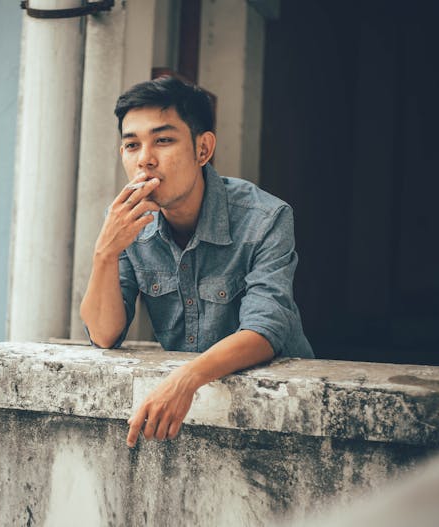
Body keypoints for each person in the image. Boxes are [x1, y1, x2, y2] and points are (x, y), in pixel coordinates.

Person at [79, 76, 314, 448]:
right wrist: (104, 252)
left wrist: (186, 378)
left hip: (281, 416)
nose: (145, 159)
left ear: (202, 149)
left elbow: (266, 331)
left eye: (163, 140)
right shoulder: (125, 222)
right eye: (131, 145)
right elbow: (105, 335)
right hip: (193, 423)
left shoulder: (265, 217)